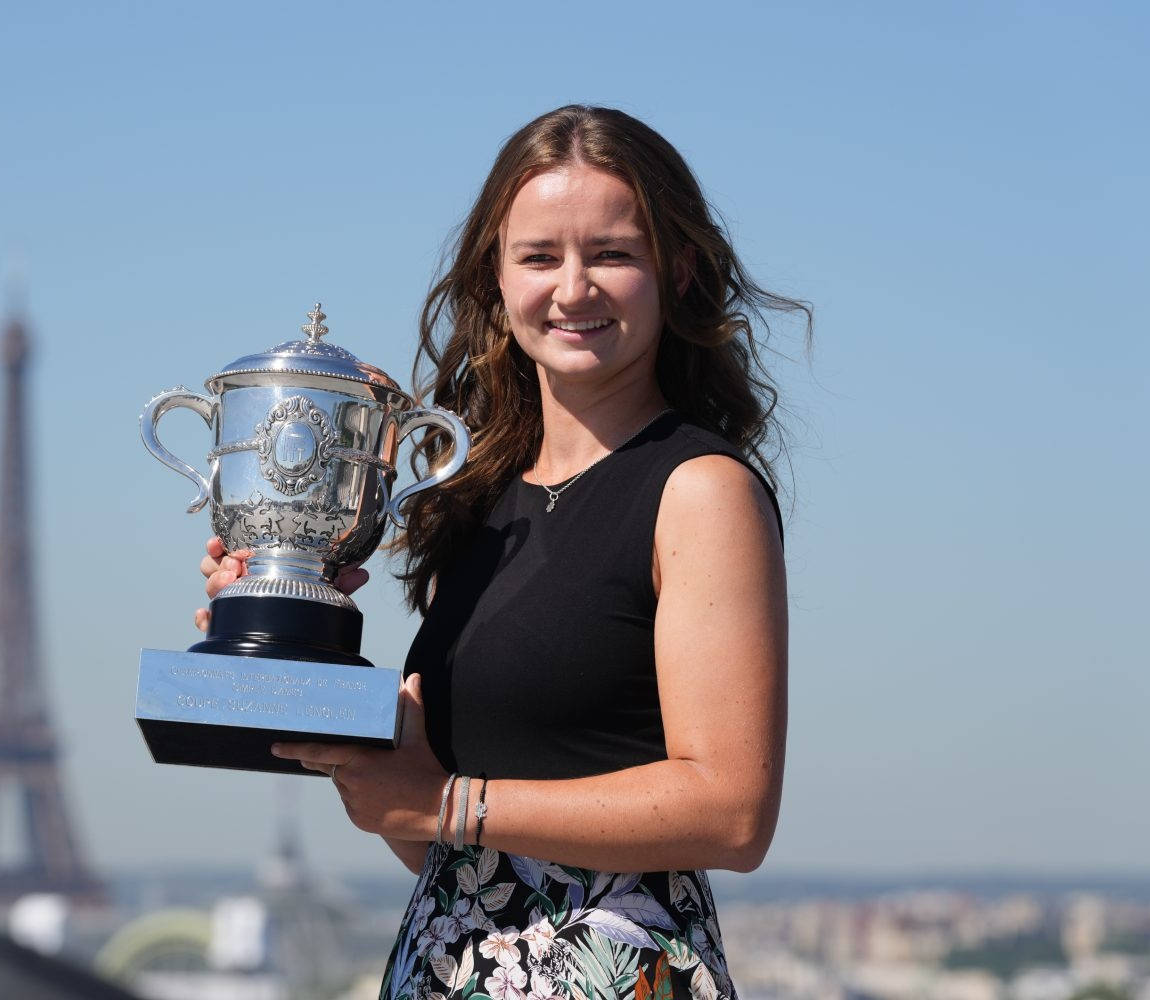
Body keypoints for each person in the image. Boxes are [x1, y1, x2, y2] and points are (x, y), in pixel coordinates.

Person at [198, 105, 804, 1000]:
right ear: (495, 276)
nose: (573, 288)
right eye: (539, 256)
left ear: (676, 272)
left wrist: (449, 803)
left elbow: (732, 811)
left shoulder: (699, 490)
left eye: (611, 253)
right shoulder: (477, 503)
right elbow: (442, 847)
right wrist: (291, 628)